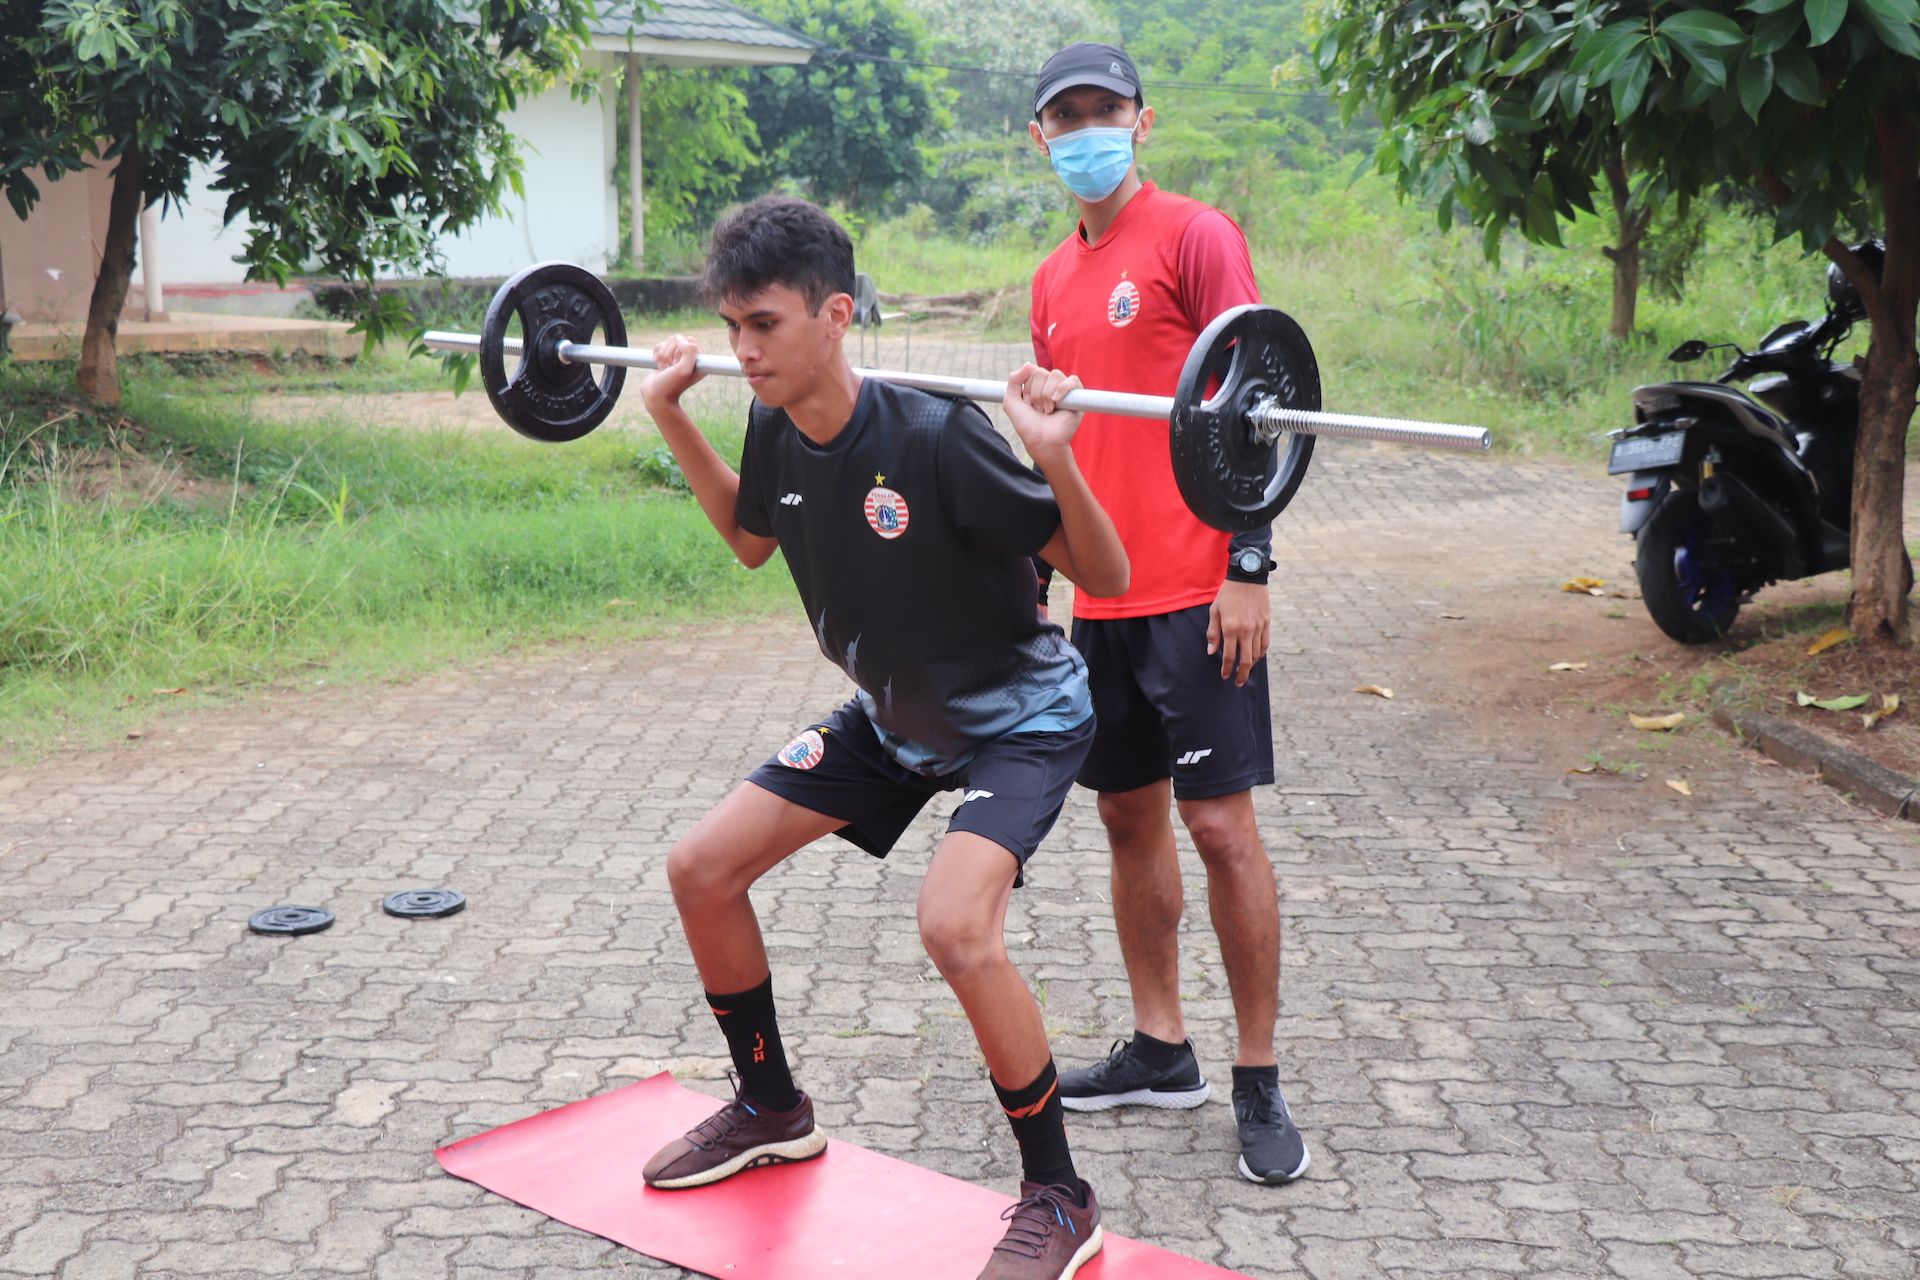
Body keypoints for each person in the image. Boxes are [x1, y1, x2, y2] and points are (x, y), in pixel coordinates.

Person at [636, 194, 1129, 1280]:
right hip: (894, 718)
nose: (743, 349)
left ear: (836, 315)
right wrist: (673, 414)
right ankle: (771, 1105)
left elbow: (1107, 574)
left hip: (1021, 714)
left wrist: (1055, 455)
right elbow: (752, 543)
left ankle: (1061, 1191)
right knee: (701, 867)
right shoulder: (771, 422)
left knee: (955, 925)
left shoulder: (936, 434)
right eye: (731, 327)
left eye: (764, 323)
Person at [1024, 42, 1309, 1186]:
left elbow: (1266, 398)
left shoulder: (1197, 234)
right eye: (1065, 116)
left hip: (1201, 591)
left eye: (1105, 109)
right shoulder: (1050, 281)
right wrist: (1041, 587)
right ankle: (1160, 1047)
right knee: (1129, 823)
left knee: (1221, 827)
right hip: (1104, 598)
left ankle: (1256, 1074)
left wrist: (1251, 562)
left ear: (1142, 122)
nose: (1086, 129)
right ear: (1038, 139)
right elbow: (1061, 451)